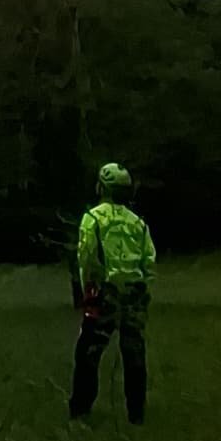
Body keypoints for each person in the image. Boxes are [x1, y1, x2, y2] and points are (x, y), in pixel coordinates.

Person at [69, 160, 155, 424]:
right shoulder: (138, 223)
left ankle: (81, 410)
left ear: (102, 187)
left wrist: (88, 291)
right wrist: (143, 289)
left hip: (104, 293)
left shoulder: (93, 218)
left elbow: (87, 257)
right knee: (134, 354)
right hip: (134, 294)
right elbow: (149, 260)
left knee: (88, 353)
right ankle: (136, 413)